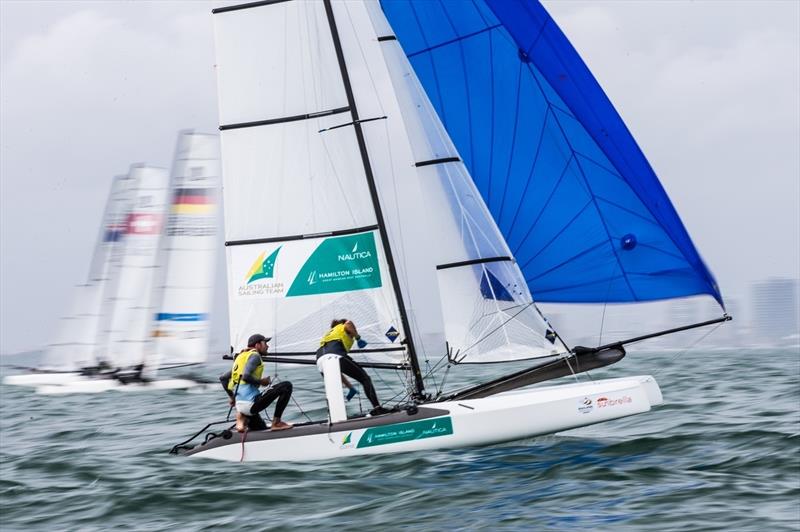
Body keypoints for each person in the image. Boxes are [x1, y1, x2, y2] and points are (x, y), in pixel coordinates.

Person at [220, 333, 293, 432]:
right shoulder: (255, 356)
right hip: (251, 404)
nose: (267, 346)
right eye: (265, 343)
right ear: (257, 345)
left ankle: (241, 417)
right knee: (286, 386)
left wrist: (232, 397)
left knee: (260, 428)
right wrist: (262, 382)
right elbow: (246, 376)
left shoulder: (240, 358)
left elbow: (223, 379)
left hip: (240, 405)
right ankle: (276, 422)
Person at [316, 319, 388, 416]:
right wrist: (358, 338)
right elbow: (349, 323)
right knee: (365, 379)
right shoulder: (341, 326)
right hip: (335, 354)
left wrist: (350, 388)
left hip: (320, 361)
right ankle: (378, 408)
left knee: (334, 389)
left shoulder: (329, 335)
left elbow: (337, 370)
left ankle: (336, 417)